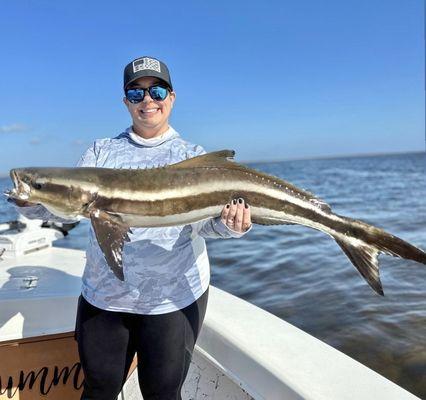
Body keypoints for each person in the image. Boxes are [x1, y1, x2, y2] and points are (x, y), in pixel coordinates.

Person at [13, 56, 252, 400]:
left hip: (172, 301)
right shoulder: (101, 152)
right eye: (136, 93)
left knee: (162, 394)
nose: (148, 100)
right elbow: (68, 211)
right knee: (98, 390)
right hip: (106, 297)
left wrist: (232, 226)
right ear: (126, 101)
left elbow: (205, 226)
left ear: (171, 97)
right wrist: (32, 200)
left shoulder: (193, 157)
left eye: (156, 90)